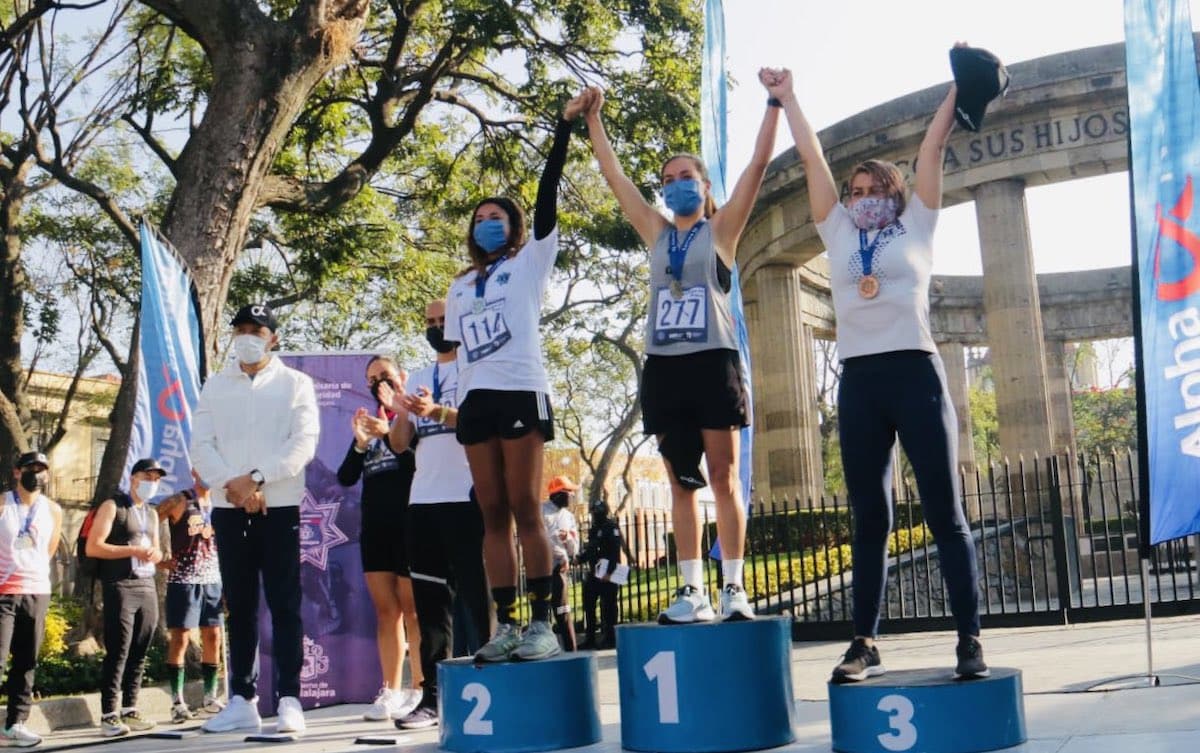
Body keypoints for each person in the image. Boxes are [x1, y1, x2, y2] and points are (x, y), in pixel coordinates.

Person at [766, 54, 989, 682]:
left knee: (945, 513)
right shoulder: (837, 232)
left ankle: (969, 640)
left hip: (916, 375)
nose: (862, 200)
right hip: (859, 382)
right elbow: (812, 157)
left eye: (873, 191)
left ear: (894, 195)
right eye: (855, 192)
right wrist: (788, 98)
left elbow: (932, 149)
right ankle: (863, 643)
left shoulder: (917, 222)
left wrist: (958, 91)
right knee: (872, 518)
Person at [582, 81, 780, 623]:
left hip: (713, 362)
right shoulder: (655, 232)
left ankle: (734, 587)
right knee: (681, 481)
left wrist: (774, 104)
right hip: (665, 369)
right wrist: (595, 121)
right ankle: (691, 590)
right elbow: (614, 178)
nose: (675, 186)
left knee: (723, 475)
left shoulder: (722, 230)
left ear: (705, 184)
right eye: (667, 181)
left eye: (685, 177)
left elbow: (758, 167)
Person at [443, 91, 588, 663]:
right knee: (492, 515)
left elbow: (548, 195)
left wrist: (562, 130)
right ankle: (506, 623)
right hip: (477, 401)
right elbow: (454, 353)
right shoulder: (459, 286)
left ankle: (544, 622)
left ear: (515, 226)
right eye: (479, 220)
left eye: (496, 217)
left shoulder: (528, 263)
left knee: (529, 510)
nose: (486, 224)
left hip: (521, 392)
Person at [190, 303, 320, 733]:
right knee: (240, 605)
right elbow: (201, 445)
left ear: (273, 337)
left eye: (257, 329)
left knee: (285, 604)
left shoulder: (295, 383)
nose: (247, 336)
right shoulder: (215, 385)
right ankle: (242, 698)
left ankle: (289, 699)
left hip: (279, 505)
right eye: (241, 328)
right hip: (230, 507)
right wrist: (234, 484)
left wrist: (259, 479)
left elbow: (303, 443)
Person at [385, 299, 491, 730]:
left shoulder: (478, 369)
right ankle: (431, 695)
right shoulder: (420, 375)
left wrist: (439, 412)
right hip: (423, 499)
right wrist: (405, 412)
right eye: (429, 321)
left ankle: (491, 678)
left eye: (443, 320)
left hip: (467, 496)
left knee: (477, 594)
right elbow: (398, 444)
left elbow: (482, 424)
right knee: (429, 605)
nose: (436, 327)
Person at [336, 356, 422, 723]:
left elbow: (414, 456)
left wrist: (391, 421)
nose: (378, 384)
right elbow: (344, 477)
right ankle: (390, 688)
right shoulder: (370, 425)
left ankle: (420, 688)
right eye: (371, 380)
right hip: (375, 530)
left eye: (384, 376)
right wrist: (359, 444)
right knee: (387, 614)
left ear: (400, 377)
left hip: (410, 527)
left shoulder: (413, 415)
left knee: (414, 612)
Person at [86, 457, 166, 737]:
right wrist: (131, 551)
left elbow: (155, 550)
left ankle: (130, 709)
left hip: (146, 584)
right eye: (148, 477)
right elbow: (94, 547)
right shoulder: (114, 506)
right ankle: (109, 714)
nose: (152, 483)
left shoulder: (152, 514)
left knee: (140, 650)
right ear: (134, 478)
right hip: (120, 584)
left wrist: (155, 555)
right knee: (118, 650)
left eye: (157, 479)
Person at [0, 451, 63, 747]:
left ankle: (15, 723)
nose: (36, 474)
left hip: (36, 590)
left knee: (26, 661)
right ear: (17, 472)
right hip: (3, 591)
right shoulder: (3, 503)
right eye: (30, 468)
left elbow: (48, 550)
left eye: (41, 469)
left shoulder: (53, 510)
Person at [154, 470, 224, 723]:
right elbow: (149, 519)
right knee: (181, 638)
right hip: (183, 579)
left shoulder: (220, 501)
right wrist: (159, 557)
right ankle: (177, 701)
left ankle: (210, 697)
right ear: (194, 471)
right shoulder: (180, 500)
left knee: (213, 636)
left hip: (213, 578)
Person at [542, 476, 579, 651]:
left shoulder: (569, 517)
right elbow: (542, 540)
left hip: (559, 570)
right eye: (569, 492)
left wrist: (568, 539)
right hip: (541, 569)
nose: (572, 496)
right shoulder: (541, 511)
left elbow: (575, 548)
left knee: (563, 611)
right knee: (541, 613)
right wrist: (561, 554)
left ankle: (571, 649)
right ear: (557, 494)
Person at [578, 499, 621, 650]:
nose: (596, 515)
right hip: (594, 572)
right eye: (594, 513)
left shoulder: (611, 527)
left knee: (609, 607)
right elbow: (591, 549)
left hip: (607, 573)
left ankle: (610, 638)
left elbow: (615, 552)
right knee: (589, 605)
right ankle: (590, 638)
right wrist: (580, 559)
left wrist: (610, 573)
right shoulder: (594, 529)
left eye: (598, 513)